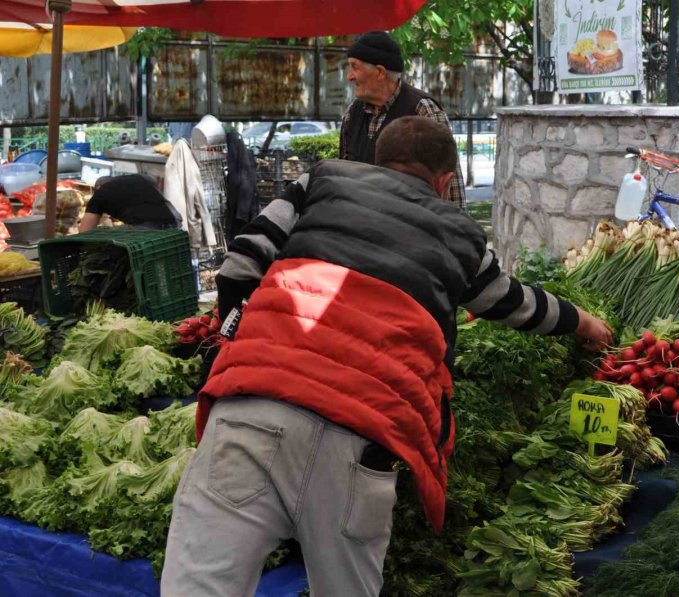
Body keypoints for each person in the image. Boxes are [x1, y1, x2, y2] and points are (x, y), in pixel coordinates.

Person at [161, 116, 613, 597]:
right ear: (445, 181)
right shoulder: (460, 234)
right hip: (363, 433)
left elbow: (239, 264)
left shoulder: (322, 179)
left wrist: (240, 336)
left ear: (375, 160)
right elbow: (511, 303)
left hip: (248, 409)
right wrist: (584, 322)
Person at [339, 30, 467, 211]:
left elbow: (449, 182)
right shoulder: (353, 113)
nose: (349, 76)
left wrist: (456, 232)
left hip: (413, 230)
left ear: (380, 72)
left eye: (355, 67)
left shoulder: (422, 109)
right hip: (362, 227)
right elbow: (344, 176)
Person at [78, 174, 182, 232]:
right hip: (174, 218)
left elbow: (84, 232)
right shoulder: (138, 178)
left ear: (98, 188)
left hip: (147, 226)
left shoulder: (100, 194)